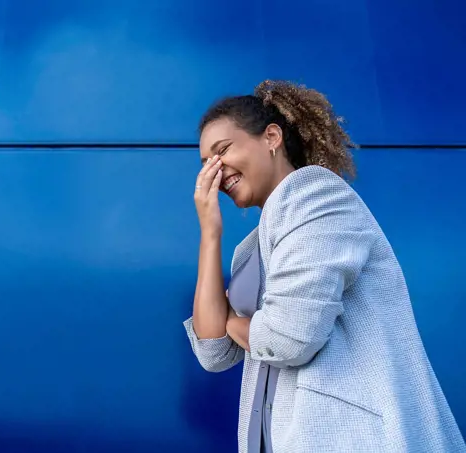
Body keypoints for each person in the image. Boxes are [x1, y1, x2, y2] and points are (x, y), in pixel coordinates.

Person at [183, 80, 466, 453]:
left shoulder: (317, 197)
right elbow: (213, 352)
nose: (215, 171)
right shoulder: (250, 250)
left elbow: (287, 341)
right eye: (206, 163)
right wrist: (210, 234)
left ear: (271, 137)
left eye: (222, 151)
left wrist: (233, 322)